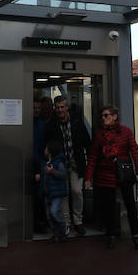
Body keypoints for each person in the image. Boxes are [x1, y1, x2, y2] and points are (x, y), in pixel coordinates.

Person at [84, 104, 138, 250]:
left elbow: (134, 152)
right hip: (105, 174)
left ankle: (136, 235)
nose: (103, 118)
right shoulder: (100, 135)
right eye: (102, 116)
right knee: (109, 208)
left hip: (123, 173)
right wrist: (88, 177)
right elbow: (93, 156)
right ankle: (111, 235)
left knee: (130, 205)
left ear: (114, 117)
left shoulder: (126, 132)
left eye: (106, 115)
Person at [46, 95, 90, 236]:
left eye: (62, 107)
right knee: (63, 194)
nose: (60, 110)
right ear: (55, 108)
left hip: (76, 162)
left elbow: (87, 141)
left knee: (77, 191)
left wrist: (90, 162)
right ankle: (66, 223)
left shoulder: (77, 121)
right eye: (57, 107)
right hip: (60, 165)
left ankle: (78, 221)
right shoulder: (51, 124)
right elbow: (47, 144)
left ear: (67, 107)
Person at [35, 139, 68, 241]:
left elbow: (63, 175)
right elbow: (45, 177)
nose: (44, 150)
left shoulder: (59, 162)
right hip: (47, 192)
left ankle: (64, 227)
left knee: (54, 212)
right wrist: (40, 176)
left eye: (46, 148)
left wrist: (52, 171)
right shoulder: (44, 163)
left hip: (56, 192)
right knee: (49, 216)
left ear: (50, 150)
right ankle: (56, 234)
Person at [32, 99, 49, 233]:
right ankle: (37, 223)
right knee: (37, 195)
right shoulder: (31, 124)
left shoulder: (42, 124)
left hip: (41, 163)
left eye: (38, 108)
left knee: (40, 195)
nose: (36, 110)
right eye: (34, 108)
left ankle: (40, 222)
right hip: (34, 163)